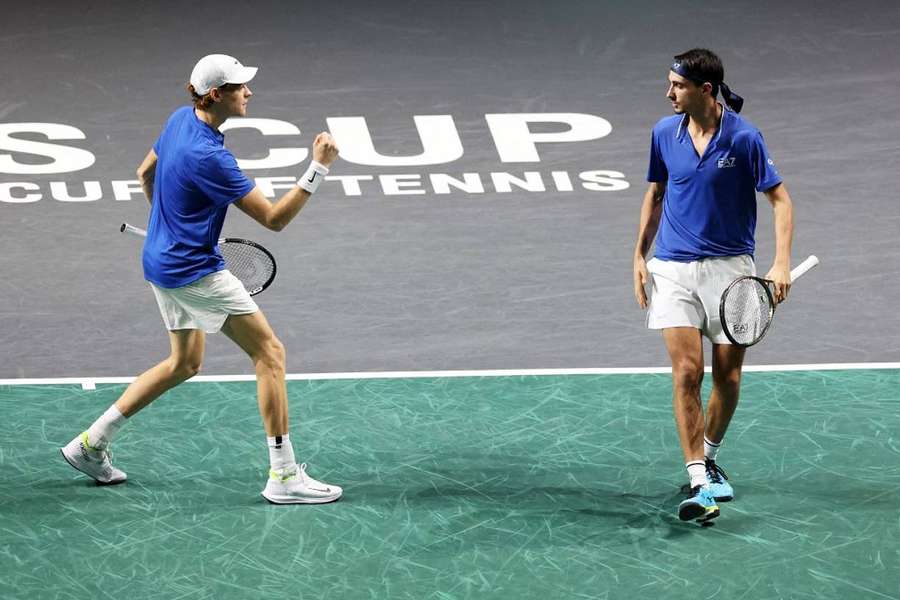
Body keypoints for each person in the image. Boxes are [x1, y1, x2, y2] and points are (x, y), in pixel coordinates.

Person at [61, 54, 342, 504]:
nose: (249, 92)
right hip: (194, 271)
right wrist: (319, 168)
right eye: (239, 87)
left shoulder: (179, 120)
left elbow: (144, 173)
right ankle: (284, 476)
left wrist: (165, 225)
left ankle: (91, 444)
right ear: (216, 94)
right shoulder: (212, 158)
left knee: (184, 363)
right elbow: (273, 219)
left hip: (159, 260)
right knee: (270, 354)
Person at [632, 48, 794, 522]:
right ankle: (698, 479)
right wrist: (638, 255)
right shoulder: (664, 133)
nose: (668, 93)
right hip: (673, 267)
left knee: (728, 377)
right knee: (687, 372)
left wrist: (780, 264)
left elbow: (780, 201)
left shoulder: (744, 139)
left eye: (677, 86)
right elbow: (656, 192)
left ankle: (711, 455)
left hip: (731, 271)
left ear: (705, 90)